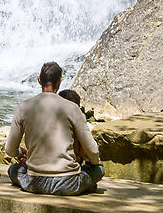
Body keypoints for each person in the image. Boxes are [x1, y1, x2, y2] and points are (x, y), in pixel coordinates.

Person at [7, 60, 103, 195]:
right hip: (68, 184)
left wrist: (20, 154)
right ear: (60, 81)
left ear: (39, 80)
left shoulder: (23, 107)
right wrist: (94, 163)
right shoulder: (72, 108)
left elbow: (10, 150)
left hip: (33, 182)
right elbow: (92, 150)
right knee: (99, 170)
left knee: (12, 170)